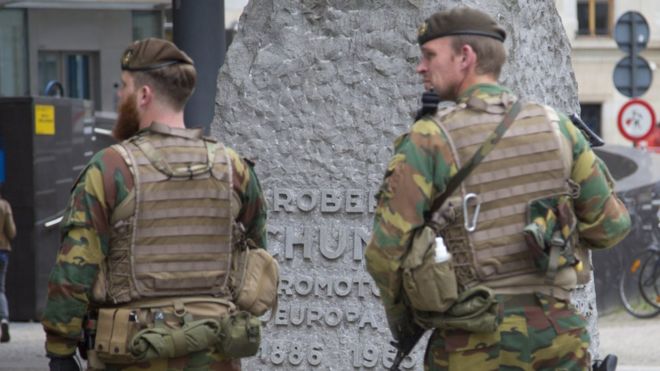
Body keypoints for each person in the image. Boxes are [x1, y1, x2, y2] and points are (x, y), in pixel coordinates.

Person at [365, 7, 631, 371]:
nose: (420, 67)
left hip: (470, 344)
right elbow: (611, 228)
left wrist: (410, 321)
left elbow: (384, 255)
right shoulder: (559, 129)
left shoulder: (430, 140)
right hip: (559, 340)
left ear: (465, 57)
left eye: (429, 56)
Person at [42, 38, 271, 371]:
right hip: (214, 354)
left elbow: (75, 267)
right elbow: (257, 258)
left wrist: (59, 349)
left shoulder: (110, 169)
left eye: (124, 87)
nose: (120, 96)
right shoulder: (234, 169)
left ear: (144, 95)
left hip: (130, 356)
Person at [0, 189, 16, 343]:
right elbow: (11, 232)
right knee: (1, 289)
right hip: (2, 251)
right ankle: (4, 319)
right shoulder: (4, 206)